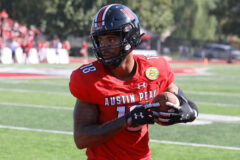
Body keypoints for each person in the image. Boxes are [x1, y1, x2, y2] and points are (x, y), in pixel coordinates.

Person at [69, 4, 198, 160]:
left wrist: (187, 113)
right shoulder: (90, 79)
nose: (104, 45)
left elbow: (186, 103)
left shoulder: (153, 69)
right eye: (100, 39)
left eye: (111, 38)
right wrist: (127, 120)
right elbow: (82, 138)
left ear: (131, 37)